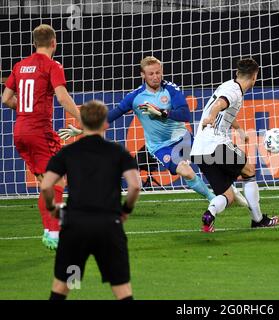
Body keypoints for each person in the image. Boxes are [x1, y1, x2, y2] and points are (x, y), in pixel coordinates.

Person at [58, 56, 247, 206]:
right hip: (159, 147)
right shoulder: (135, 97)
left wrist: (161, 113)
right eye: (151, 74)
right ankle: (213, 198)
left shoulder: (171, 89)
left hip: (183, 138)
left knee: (212, 162)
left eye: (158, 72)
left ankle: (230, 191)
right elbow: (112, 115)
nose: (156, 77)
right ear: (143, 75)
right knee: (186, 171)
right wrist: (83, 130)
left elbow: (184, 115)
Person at [40, 100, 140, 300]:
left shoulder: (68, 153)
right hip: (109, 228)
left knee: (65, 286)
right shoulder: (118, 152)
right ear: (105, 124)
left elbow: (46, 185)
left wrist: (52, 208)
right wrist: (126, 210)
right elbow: (135, 185)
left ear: (82, 124)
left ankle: (73, 282)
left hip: (75, 228)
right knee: (122, 290)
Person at [1, 24, 81, 250]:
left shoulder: (19, 65)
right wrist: (82, 119)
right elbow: (63, 98)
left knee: (45, 182)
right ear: (54, 43)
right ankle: (54, 233)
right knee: (56, 181)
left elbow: (6, 98)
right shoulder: (52, 65)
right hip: (39, 131)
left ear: (34, 43)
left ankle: (49, 229)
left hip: (20, 131)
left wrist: (25, 109)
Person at [190, 58, 279, 232]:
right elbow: (219, 104)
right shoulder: (234, 92)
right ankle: (258, 219)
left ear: (237, 73)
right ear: (255, 77)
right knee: (249, 170)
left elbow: (226, 110)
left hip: (199, 149)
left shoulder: (229, 85)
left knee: (228, 196)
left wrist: (239, 130)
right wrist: (210, 117)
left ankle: (210, 214)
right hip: (216, 144)